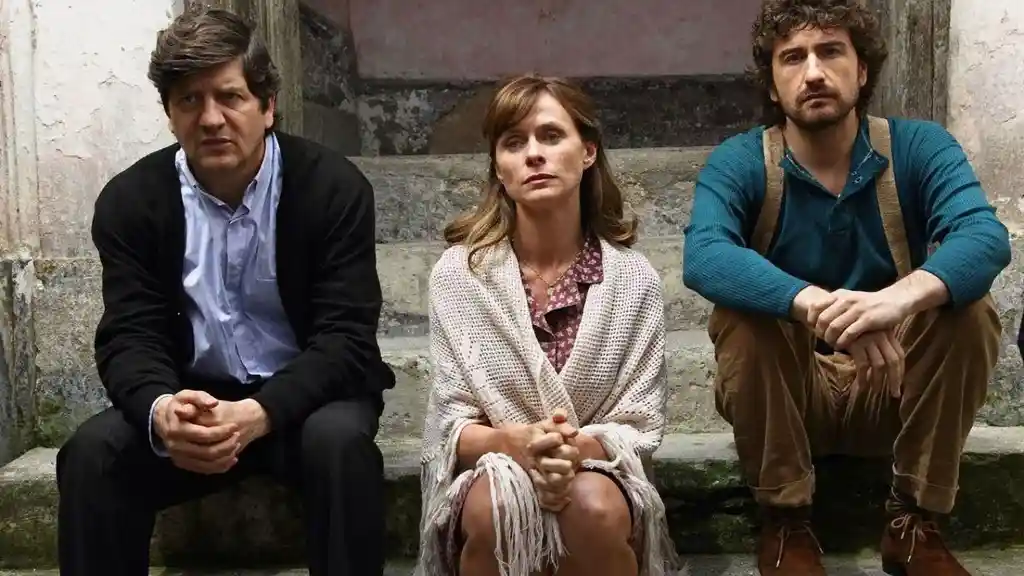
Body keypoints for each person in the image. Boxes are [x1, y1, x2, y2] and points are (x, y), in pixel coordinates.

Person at [54, 7, 395, 576]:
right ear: (169, 115)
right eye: (190, 100)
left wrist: (261, 412)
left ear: (268, 106)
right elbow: (129, 337)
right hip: (197, 406)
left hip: (307, 401)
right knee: (92, 455)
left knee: (341, 446)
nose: (211, 118)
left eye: (230, 97)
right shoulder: (131, 203)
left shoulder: (333, 189)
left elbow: (345, 340)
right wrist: (164, 410)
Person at [684, 1, 1011, 574]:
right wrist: (814, 305)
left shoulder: (919, 147)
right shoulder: (741, 161)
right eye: (793, 58)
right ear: (773, 84)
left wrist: (892, 303)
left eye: (831, 52)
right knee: (742, 314)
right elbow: (705, 255)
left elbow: (984, 237)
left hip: (891, 387)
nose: (813, 72)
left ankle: (914, 523)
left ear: (861, 71)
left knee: (969, 309)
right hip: (790, 401)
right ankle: (785, 523)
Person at [414, 74, 679, 576]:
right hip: (495, 467)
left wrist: (569, 452)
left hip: (599, 468)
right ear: (499, 167)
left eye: (551, 136)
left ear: (588, 152)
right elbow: (451, 425)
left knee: (591, 506)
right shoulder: (460, 276)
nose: (533, 154)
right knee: (496, 507)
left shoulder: (633, 280)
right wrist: (513, 445)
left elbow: (640, 424)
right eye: (514, 143)